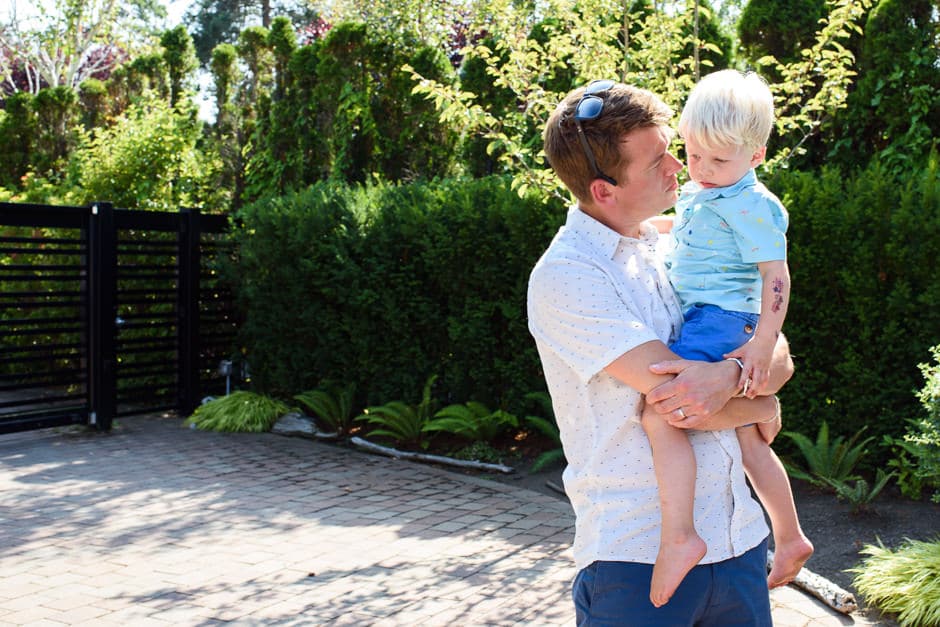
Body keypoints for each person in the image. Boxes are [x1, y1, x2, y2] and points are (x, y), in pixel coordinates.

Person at [528, 79, 794, 626]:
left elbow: (780, 356)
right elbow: (680, 398)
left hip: (738, 541)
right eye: (657, 161)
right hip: (637, 561)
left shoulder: (680, 241)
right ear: (604, 190)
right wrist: (761, 405)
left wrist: (745, 366)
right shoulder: (569, 275)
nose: (679, 166)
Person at [640, 69, 813, 607]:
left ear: (756, 156)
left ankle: (679, 536)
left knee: (658, 412)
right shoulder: (700, 193)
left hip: (723, 320)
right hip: (704, 318)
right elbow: (689, 238)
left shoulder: (754, 204)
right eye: (695, 157)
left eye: (721, 161)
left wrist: (763, 343)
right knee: (746, 443)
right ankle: (790, 536)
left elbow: (776, 276)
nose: (705, 171)